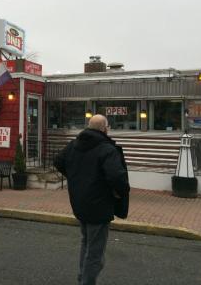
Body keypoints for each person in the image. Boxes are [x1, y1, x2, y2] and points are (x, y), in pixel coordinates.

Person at [54, 114, 130, 285]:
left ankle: (83, 277)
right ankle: (86, 281)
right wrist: (119, 192)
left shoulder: (75, 144)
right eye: (108, 127)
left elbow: (58, 161)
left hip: (80, 203)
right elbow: (117, 178)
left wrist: (74, 178)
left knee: (87, 242)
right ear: (104, 128)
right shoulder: (106, 149)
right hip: (99, 205)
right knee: (95, 252)